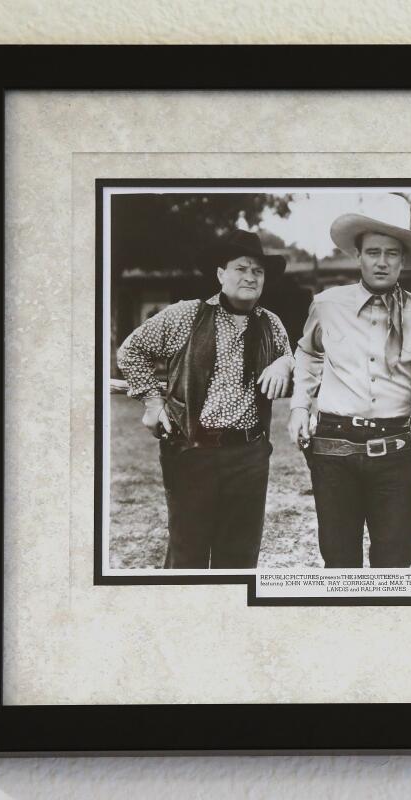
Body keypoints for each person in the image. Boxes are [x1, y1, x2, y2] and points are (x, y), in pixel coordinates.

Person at [288, 195, 411, 568]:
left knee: (395, 560)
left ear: (403, 259)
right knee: (338, 558)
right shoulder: (327, 305)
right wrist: (300, 405)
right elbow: (308, 352)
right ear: (358, 256)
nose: (382, 262)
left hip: (394, 450)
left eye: (392, 254)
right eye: (374, 252)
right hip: (333, 447)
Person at [117, 229, 294, 569]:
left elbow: (290, 356)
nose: (251, 277)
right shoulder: (186, 315)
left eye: (258, 271)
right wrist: (153, 402)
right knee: (188, 556)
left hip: (249, 455)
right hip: (191, 452)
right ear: (220, 274)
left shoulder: (271, 324)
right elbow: (131, 351)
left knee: (240, 560)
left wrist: (286, 362)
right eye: (241, 268)